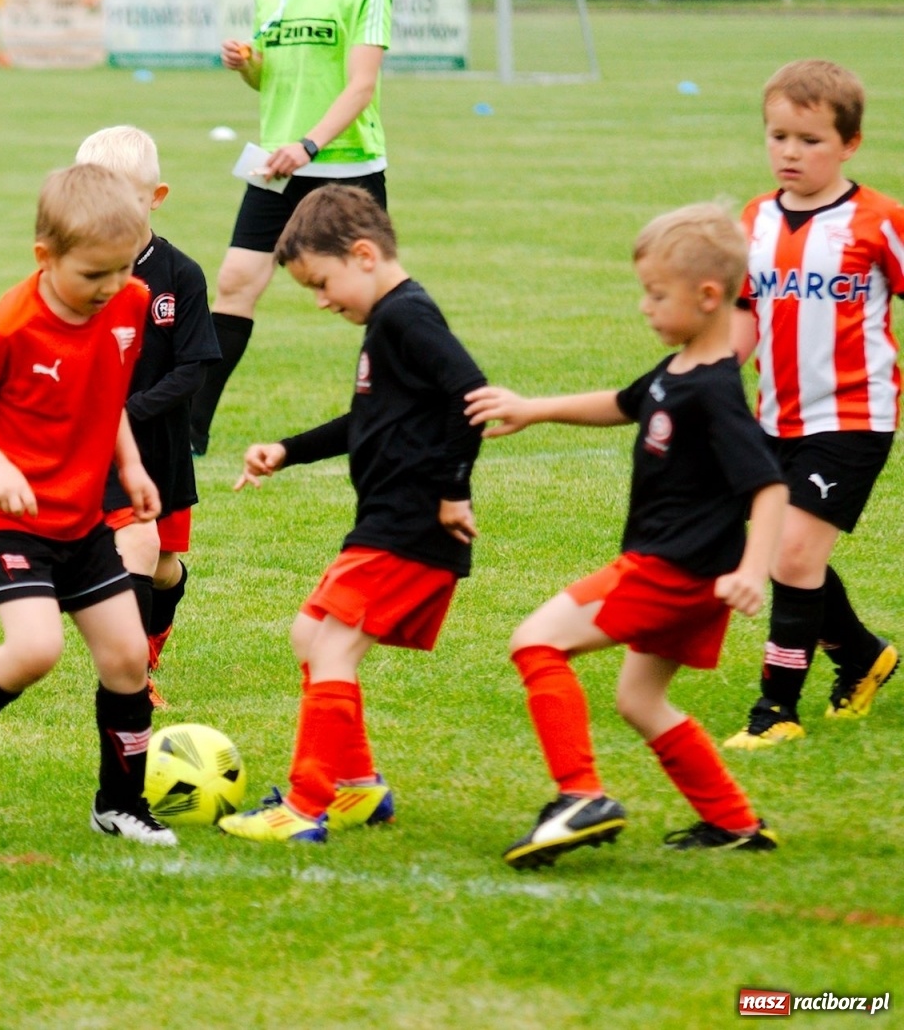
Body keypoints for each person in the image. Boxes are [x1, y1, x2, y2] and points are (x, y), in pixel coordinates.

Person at [466, 204, 788, 869]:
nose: (645, 306)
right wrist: (534, 410)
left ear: (707, 296)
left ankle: (579, 795)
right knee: (640, 700)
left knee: (535, 641)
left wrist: (754, 571)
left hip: (671, 570)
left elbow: (769, 486)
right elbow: (621, 404)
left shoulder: (717, 391)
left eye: (656, 294)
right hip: (688, 574)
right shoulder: (678, 372)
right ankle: (733, 823)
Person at [0, 163, 177, 847]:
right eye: (92, 275)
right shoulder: (10, 325)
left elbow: (107, 397)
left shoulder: (128, 303)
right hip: (2, 516)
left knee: (129, 658)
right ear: (44, 257)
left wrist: (131, 468)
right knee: (37, 648)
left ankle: (120, 804)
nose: (109, 290)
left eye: (122, 270)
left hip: (80, 517)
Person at [220, 184, 485, 844]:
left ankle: (307, 805)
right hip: (386, 523)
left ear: (363, 254)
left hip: (413, 523)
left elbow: (471, 395)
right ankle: (357, 788)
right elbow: (367, 420)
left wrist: (454, 491)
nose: (322, 300)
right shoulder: (387, 322)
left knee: (333, 644)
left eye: (323, 282)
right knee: (311, 636)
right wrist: (287, 450)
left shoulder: (407, 318)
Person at [722, 59, 904, 750]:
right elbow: (746, 314)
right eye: (778, 137)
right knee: (778, 551)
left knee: (793, 557)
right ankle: (862, 656)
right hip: (775, 419)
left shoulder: (879, 220)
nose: (790, 153)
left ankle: (776, 711)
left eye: (810, 140)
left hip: (855, 417)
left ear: (850, 143)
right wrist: (708, 376)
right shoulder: (755, 218)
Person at [189, 0, 393, 456]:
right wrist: (248, 65)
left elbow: (360, 86)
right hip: (278, 160)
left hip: (345, 162)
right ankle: (190, 430)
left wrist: (311, 145)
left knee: (376, 299)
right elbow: (271, 81)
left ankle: (400, 411)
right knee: (236, 280)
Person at [74, 126, 222, 692]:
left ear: (155, 198)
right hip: (93, 446)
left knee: (161, 566)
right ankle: (129, 673)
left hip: (156, 444)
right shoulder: (77, 268)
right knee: (132, 544)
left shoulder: (180, 274)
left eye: (125, 201)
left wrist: (127, 412)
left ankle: (151, 635)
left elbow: (193, 369)